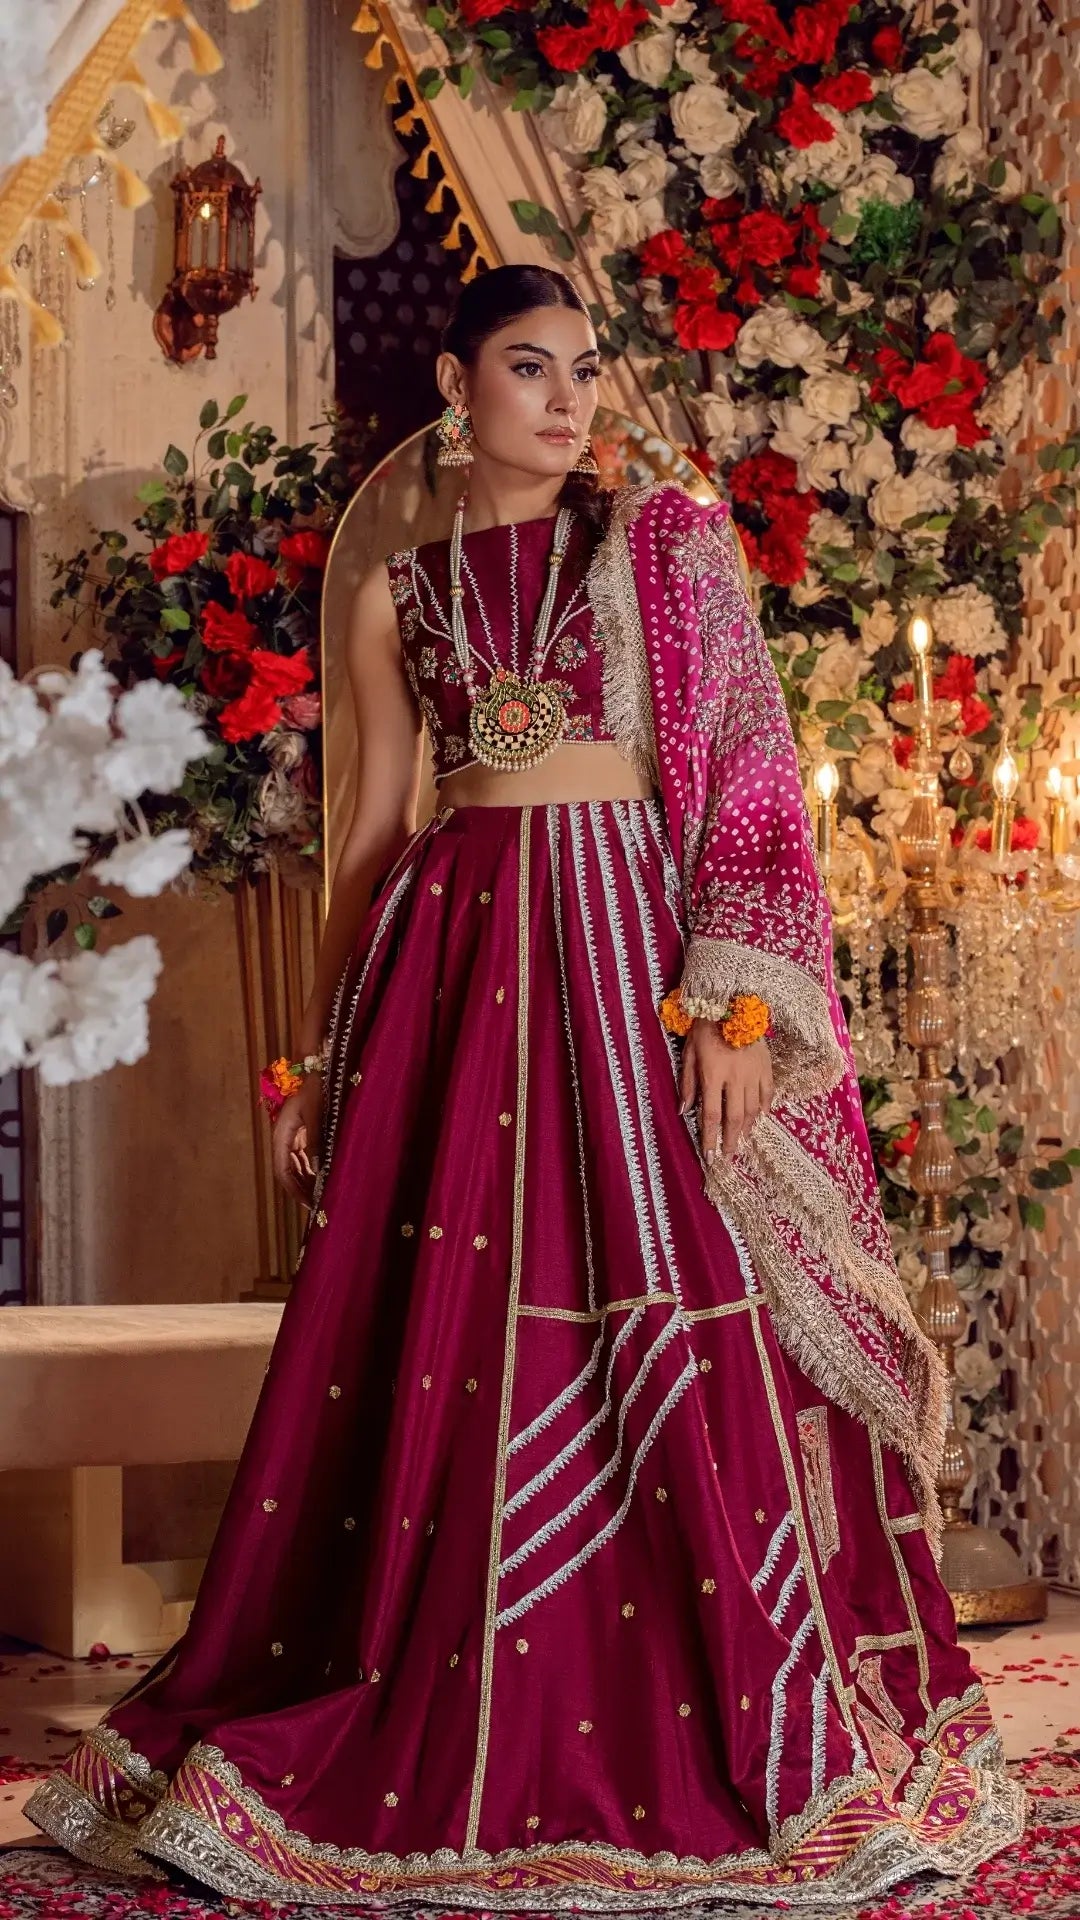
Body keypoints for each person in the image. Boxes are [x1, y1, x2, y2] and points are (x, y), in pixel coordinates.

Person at [26, 263, 1023, 1909]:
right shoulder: (392, 595)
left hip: (634, 963)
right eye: (528, 367)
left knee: (671, 1298)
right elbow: (369, 838)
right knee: (441, 1335)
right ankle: (446, 1688)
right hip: (455, 971)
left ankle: (712, 1698)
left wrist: (735, 1014)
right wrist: (318, 1064)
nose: (566, 401)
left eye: (583, 371)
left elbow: (753, 788)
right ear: (455, 380)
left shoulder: (665, 549)